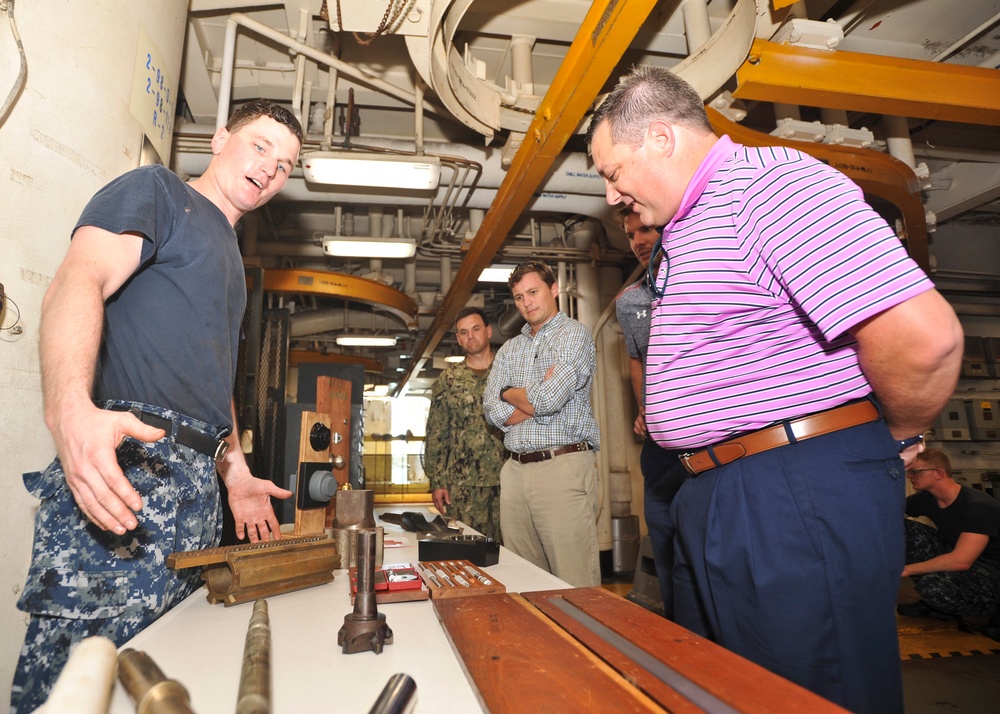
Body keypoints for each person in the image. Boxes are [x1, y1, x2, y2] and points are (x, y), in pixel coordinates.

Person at [586, 66, 963, 714]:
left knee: (812, 696)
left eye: (612, 171)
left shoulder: (766, 186)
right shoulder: (687, 230)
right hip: (717, 493)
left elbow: (924, 339)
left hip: (787, 490)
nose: (614, 194)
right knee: (726, 694)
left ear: (660, 139)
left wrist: (899, 438)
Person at [12, 100, 303, 712]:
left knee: (160, 675)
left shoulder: (231, 257)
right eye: (259, 147)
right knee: (80, 678)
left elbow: (212, 375)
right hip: (134, 467)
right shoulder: (160, 192)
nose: (269, 170)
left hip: (194, 488)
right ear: (221, 137)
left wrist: (236, 471)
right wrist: (68, 409)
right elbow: (77, 280)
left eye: (284, 166)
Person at [483, 260, 601, 587]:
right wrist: (519, 395)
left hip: (561, 467)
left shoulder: (573, 335)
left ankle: (582, 640)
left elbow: (548, 399)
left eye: (533, 292)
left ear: (553, 289)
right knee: (524, 582)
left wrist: (510, 394)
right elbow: (491, 409)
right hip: (515, 473)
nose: (527, 303)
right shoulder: (509, 348)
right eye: (519, 297)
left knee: (574, 583)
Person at [614, 207, 686, 619]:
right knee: (666, 545)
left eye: (646, 230)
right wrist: (646, 406)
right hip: (660, 449)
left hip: (710, 442)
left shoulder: (697, 284)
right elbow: (636, 359)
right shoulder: (630, 302)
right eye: (630, 235)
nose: (638, 241)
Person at [424, 307, 507, 540]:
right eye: (464, 332)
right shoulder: (449, 379)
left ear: (489, 331)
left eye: (476, 329)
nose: (471, 336)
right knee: (466, 548)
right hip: (462, 484)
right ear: (458, 339)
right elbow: (436, 433)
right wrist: (437, 481)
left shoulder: (509, 372)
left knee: (513, 550)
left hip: (508, 479)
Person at [899, 448, 1000, 639]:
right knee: (901, 529)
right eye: (909, 472)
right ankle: (936, 607)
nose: (910, 476)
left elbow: (961, 561)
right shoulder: (928, 498)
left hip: (992, 569)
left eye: (915, 471)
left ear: (938, 473)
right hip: (964, 556)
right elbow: (890, 518)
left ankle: (993, 608)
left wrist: (907, 569)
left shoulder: (977, 507)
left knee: (934, 589)